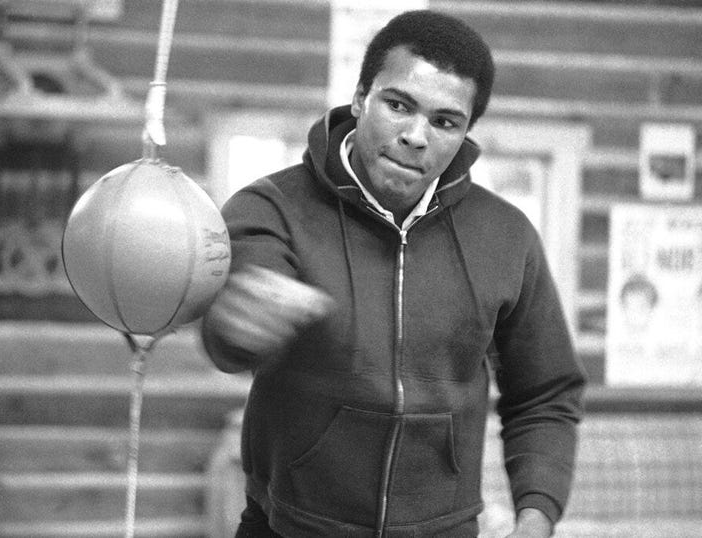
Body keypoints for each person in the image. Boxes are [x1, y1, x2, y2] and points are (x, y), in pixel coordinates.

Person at [202, 10, 586, 538]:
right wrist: (238, 320)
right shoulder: (272, 207)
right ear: (360, 98)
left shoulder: (506, 237)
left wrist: (536, 515)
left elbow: (544, 393)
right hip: (288, 527)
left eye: (444, 121)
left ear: (466, 132)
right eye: (398, 105)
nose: (415, 136)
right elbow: (235, 319)